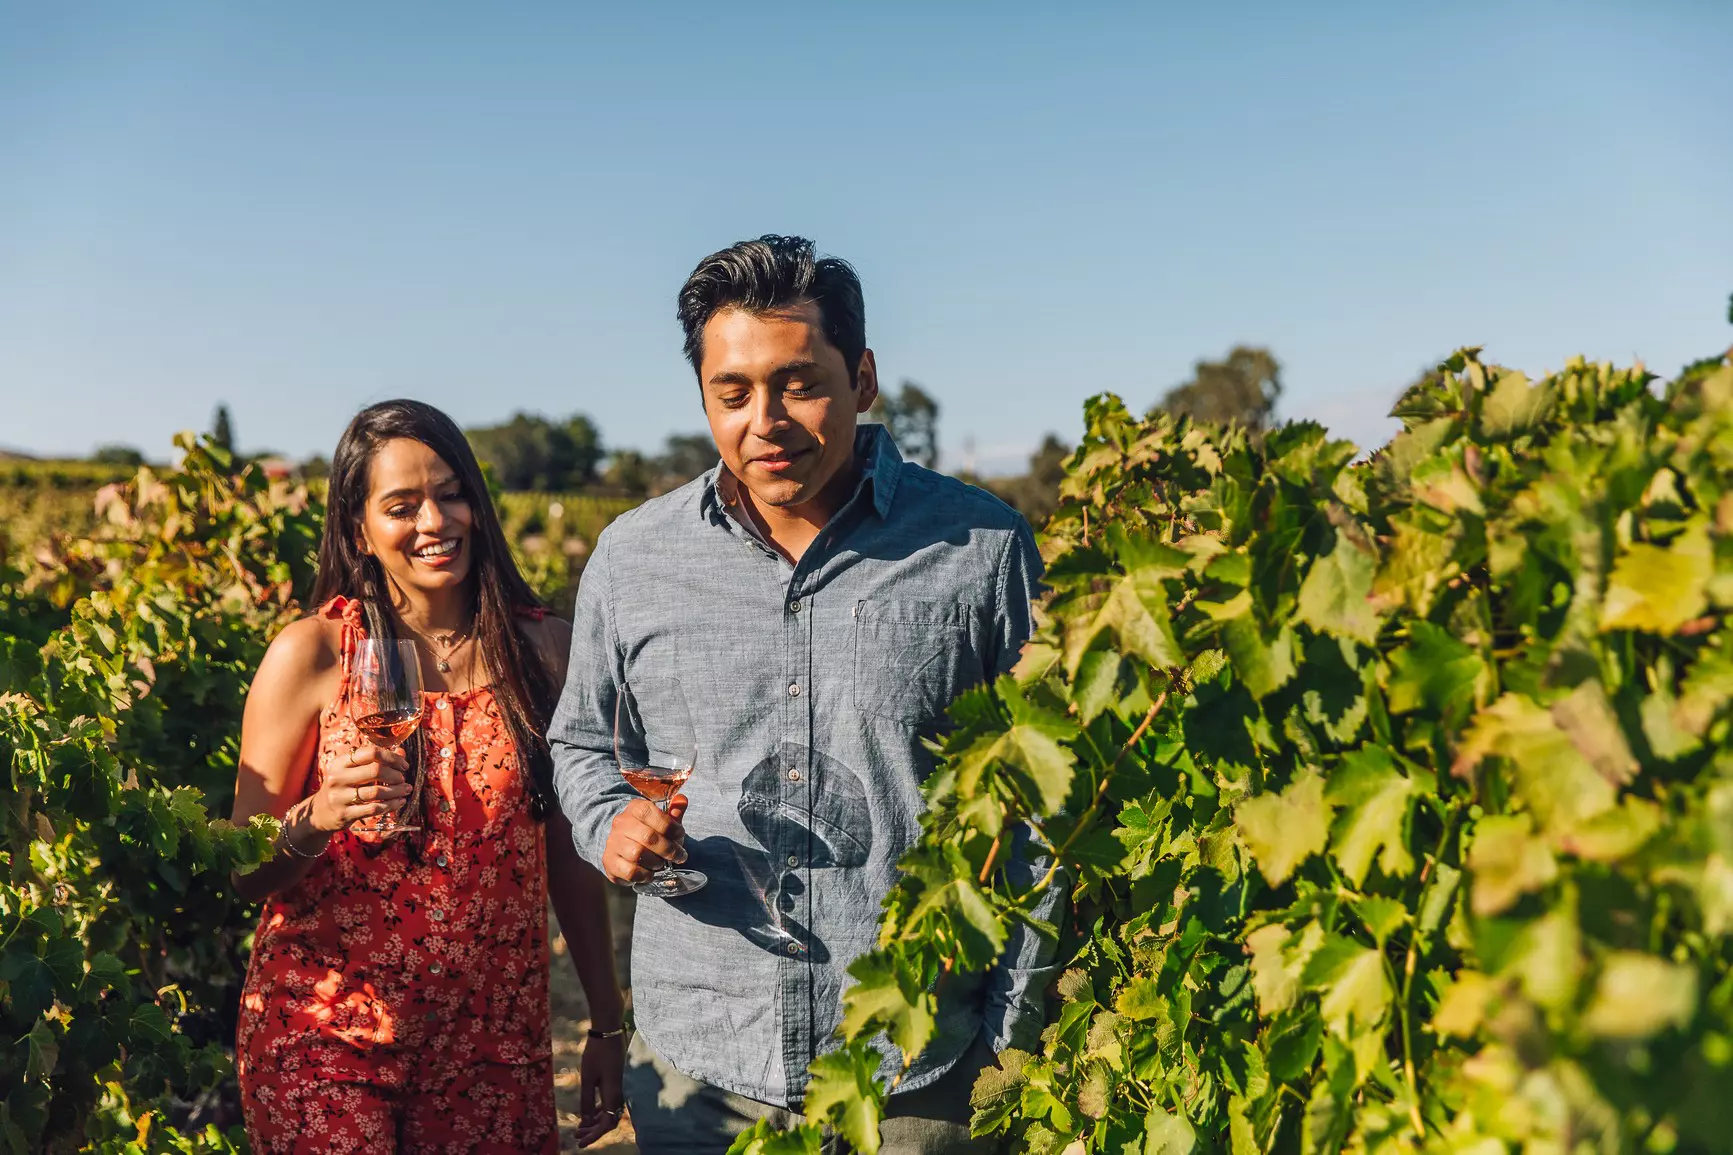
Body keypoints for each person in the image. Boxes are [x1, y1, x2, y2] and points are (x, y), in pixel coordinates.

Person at [549, 235, 1057, 1154]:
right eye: (732, 392)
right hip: (696, 1072)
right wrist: (609, 824)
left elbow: (1041, 816)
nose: (765, 420)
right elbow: (581, 743)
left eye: (799, 382)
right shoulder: (633, 557)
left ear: (861, 378)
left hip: (920, 1075)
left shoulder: (981, 551)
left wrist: (1009, 1045)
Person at [231, 400, 625, 1153]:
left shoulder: (543, 652)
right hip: (326, 1031)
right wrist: (318, 815)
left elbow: (569, 852)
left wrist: (606, 1022)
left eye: (450, 493)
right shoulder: (312, 654)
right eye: (401, 505)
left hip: (491, 1042)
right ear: (359, 530)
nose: (434, 520)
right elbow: (242, 870)